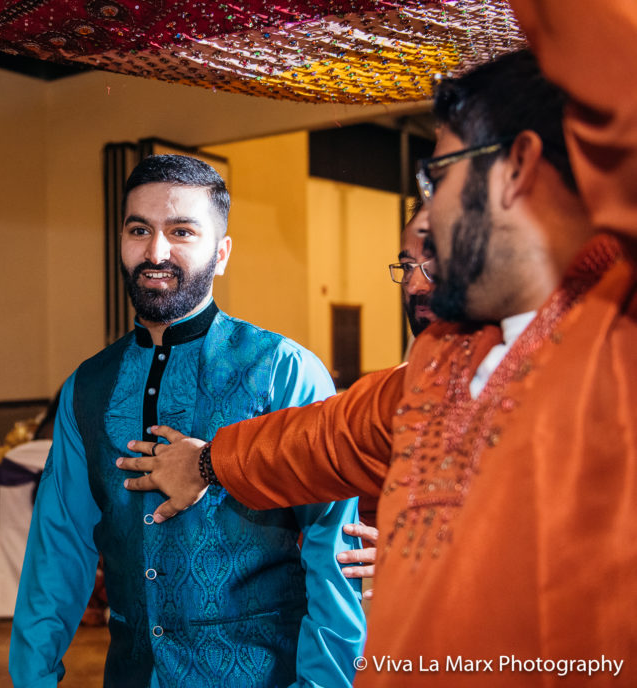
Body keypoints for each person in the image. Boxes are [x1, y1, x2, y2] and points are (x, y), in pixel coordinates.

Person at [119, 50, 635, 686]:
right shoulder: (444, 357)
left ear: (518, 170)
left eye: (437, 180)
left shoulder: (613, 353)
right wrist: (206, 462)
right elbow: (325, 440)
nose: (422, 223)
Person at [10, 154, 365, 687]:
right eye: (139, 230)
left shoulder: (283, 372)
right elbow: (58, 552)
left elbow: (331, 552)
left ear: (221, 254)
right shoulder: (87, 386)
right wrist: (32, 679)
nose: (156, 251)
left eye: (181, 231)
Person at [340, 203, 438, 592]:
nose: (415, 285)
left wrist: (427, 556)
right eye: (408, 267)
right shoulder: (407, 383)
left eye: (433, 265)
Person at [390, 204, 436, 338]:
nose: (413, 287)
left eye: (433, 266)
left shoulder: (496, 353)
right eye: (407, 267)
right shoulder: (417, 350)